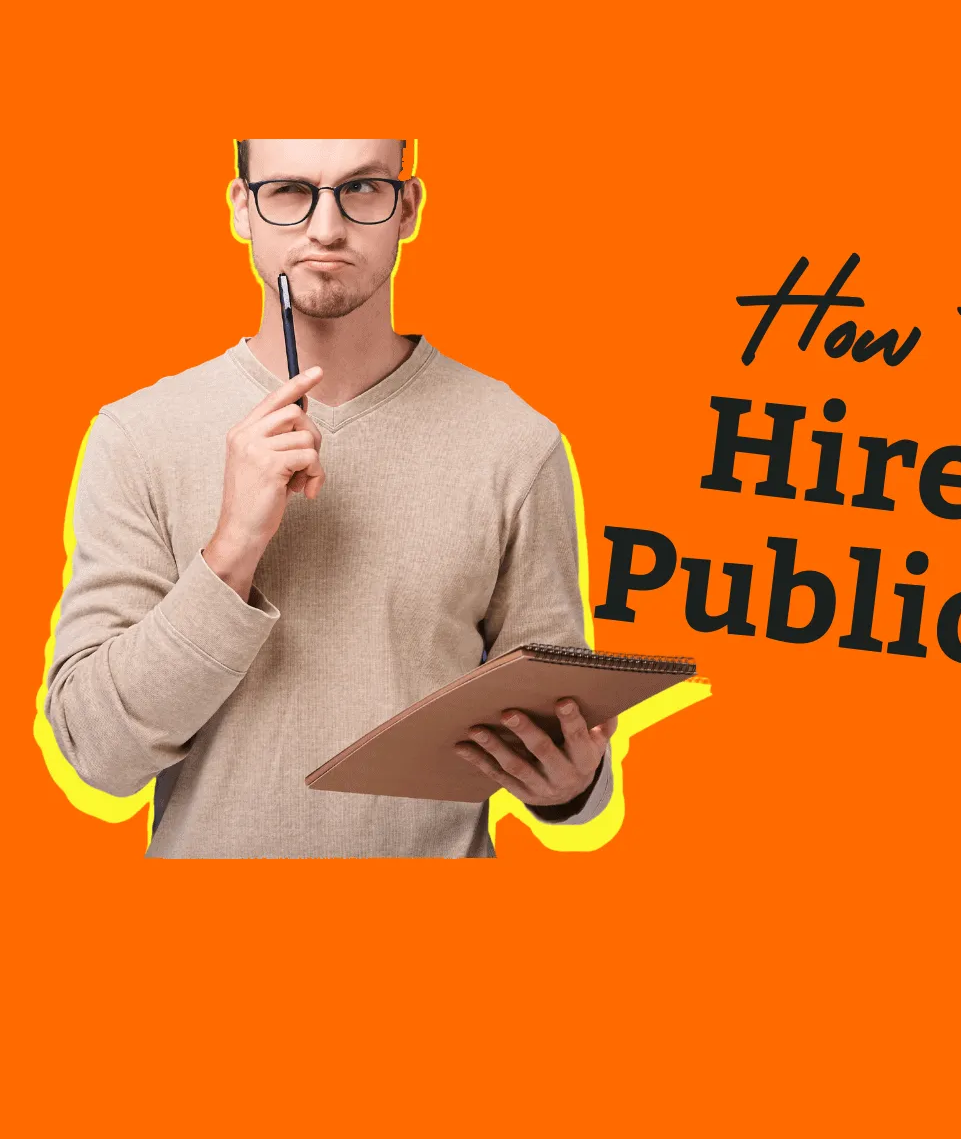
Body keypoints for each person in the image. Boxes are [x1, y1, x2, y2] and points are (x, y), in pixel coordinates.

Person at [42, 137, 614, 858]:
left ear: (406, 206)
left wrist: (569, 783)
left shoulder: (515, 443)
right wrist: (232, 548)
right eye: (288, 192)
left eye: (362, 189)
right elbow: (98, 754)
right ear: (241, 208)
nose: (324, 228)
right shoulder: (138, 435)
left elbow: (556, 718)